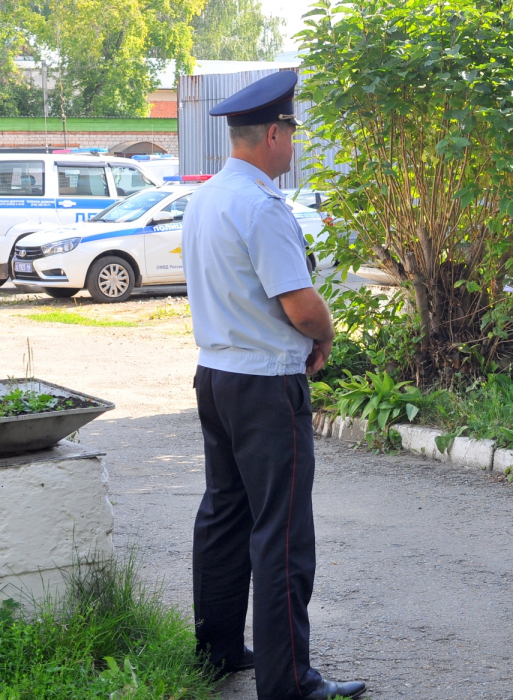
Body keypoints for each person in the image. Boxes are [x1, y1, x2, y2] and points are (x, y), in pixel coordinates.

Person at [182, 71, 367, 700]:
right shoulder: (261, 206)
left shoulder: (205, 197)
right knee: (283, 532)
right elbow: (301, 305)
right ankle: (288, 682)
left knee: (224, 514)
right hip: (264, 385)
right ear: (270, 135)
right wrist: (325, 335)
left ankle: (219, 650)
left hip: (216, 376)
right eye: (290, 130)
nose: (293, 142)